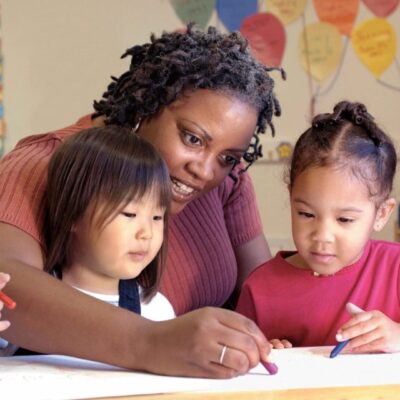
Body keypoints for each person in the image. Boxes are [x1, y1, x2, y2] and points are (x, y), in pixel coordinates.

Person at [0, 24, 282, 377]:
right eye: (192, 138)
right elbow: (7, 286)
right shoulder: (49, 163)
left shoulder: (229, 178)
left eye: (227, 157)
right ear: (145, 108)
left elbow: (270, 296)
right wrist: (151, 342)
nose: (206, 171)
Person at [236, 101, 400, 354]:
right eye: (306, 214)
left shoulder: (395, 268)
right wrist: (263, 353)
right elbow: (243, 369)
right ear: (291, 198)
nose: (322, 236)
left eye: (344, 220)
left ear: (381, 214)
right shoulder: (260, 288)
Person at [43, 126, 175, 321]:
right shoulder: (25, 295)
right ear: (71, 213)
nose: (147, 233)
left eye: (157, 217)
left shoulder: (156, 312)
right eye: (130, 214)